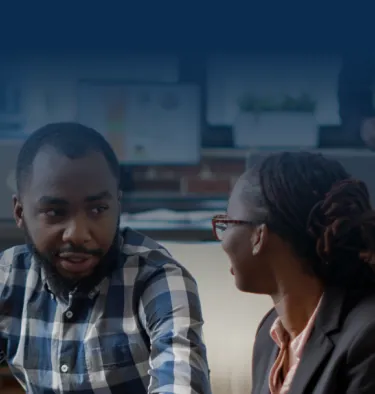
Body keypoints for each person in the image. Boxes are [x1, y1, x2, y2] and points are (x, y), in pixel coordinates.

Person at [0, 122, 211, 393]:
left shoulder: (158, 281)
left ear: (118, 205)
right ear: (19, 213)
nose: (78, 234)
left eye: (98, 209)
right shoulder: (8, 277)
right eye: (55, 212)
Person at [212, 151, 375, 394]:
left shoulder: (366, 337)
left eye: (228, 223)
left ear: (259, 236)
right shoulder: (271, 335)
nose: (223, 241)